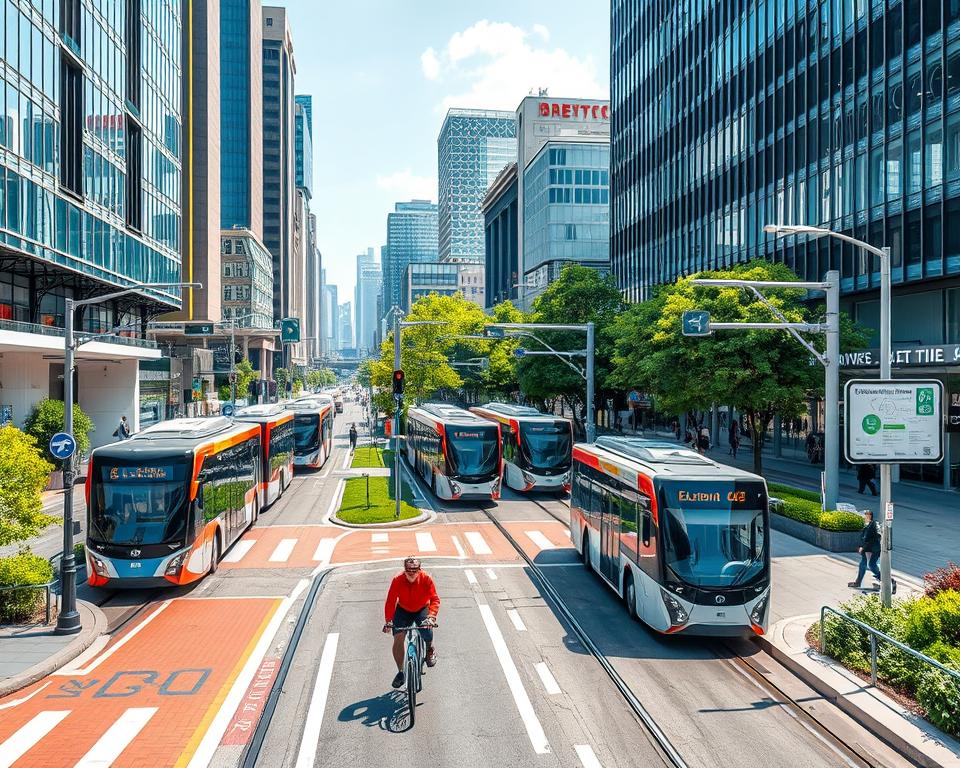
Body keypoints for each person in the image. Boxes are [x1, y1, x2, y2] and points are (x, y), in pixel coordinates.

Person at [383, 557, 440, 689]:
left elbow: (435, 599)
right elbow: (391, 601)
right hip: (403, 609)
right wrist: (389, 620)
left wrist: (431, 617)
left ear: (419, 569)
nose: (412, 573)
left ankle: (429, 649)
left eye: (415, 570)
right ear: (404, 570)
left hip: (422, 608)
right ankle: (401, 672)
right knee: (398, 638)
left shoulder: (426, 579)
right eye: (409, 570)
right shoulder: (397, 580)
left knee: (426, 630)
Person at [848, 510, 894, 592]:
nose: (864, 518)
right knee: (866, 564)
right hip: (870, 548)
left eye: (865, 516)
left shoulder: (871, 526)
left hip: (872, 549)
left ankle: (889, 581)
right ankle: (859, 582)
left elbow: (869, 538)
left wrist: (863, 547)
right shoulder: (869, 525)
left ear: (869, 517)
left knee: (870, 565)